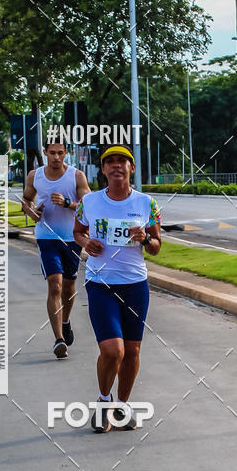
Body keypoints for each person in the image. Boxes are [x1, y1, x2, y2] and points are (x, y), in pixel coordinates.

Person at [73, 146, 161, 432]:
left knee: (132, 352)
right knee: (113, 351)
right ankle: (103, 400)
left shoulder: (148, 203)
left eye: (121, 161)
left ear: (131, 167)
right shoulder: (90, 202)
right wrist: (86, 244)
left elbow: (157, 247)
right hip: (101, 283)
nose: (116, 166)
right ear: (103, 170)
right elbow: (78, 231)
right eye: (109, 162)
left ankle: (122, 406)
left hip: (135, 284)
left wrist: (146, 238)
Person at [21, 141, 90, 359]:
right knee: (55, 285)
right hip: (46, 236)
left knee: (69, 287)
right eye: (52, 153)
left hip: (72, 237)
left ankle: (66, 320)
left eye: (61, 153)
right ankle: (59, 339)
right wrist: (32, 212)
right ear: (45, 153)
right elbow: (26, 200)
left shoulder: (76, 176)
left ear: (66, 153)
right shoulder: (35, 175)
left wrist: (68, 202)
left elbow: (89, 206)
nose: (56, 157)